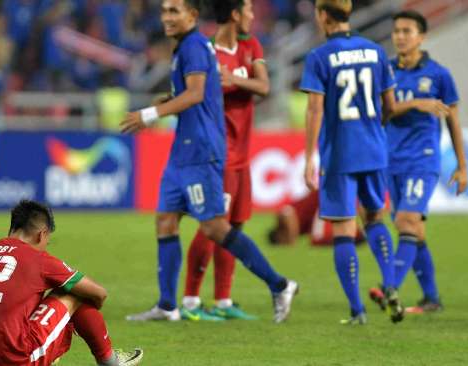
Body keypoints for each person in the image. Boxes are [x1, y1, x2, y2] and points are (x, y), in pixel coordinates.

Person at [122, 0, 298, 323]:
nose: (166, 17)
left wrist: (149, 115)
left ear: (192, 15)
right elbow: (194, 95)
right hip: (182, 151)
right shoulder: (185, 48)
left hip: (202, 151)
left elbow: (196, 94)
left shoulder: (196, 46)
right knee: (165, 220)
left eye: (174, 11)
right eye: (164, 10)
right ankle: (167, 305)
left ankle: (279, 284)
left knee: (215, 227)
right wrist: (166, 102)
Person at [300, 0, 401, 324]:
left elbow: (315, 109)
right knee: (375, 218)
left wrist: (308, 156)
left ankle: (357, 310)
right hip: (374, 148)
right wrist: (374, 131)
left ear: (324, 16)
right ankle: (390, 285)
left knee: (344, 229)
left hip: (340, 153)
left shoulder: (319, 56)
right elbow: (391, 105)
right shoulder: (376, 51)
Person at [0, 200, 143, 366]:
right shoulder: (36, 258)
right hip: (14, 359)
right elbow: (99, 293)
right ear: (41, 234)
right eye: (47, 241)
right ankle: (110, 361)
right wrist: (85, 312)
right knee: (73, 291)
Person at [369, 10, 468, 314]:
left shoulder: (439, 75)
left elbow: (453, 121)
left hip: (422, 160)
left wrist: (462, 166)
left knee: (406, 221)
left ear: (422, 36)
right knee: (414, 231)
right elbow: (381, 115)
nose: (400, 36)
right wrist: (413, 104)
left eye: (407, 31)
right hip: (390, 160)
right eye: (396, 30)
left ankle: (390, 288)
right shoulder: (384, 71)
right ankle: (431, 299)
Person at [180, 0, 268, 322]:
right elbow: (190, 93)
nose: (253, 16)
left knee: (236, 226)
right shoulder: (204, 50)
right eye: (248, 10)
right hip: (218, 154)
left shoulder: (251, 44)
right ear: (234, 14)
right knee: (212, 226)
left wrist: (233, 79)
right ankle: (190, 302)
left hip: (243, 156)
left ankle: (223, 300)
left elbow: (264, 86)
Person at [267, 191, 366, 246]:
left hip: (323, 200)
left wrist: (292, 242)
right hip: (324, 202)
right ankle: (356, 236)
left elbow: (288, 214)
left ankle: (354, 237)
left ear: (279, 234)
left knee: (317, 237)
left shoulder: (282, 217)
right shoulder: (301, 226)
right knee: (339, 227)